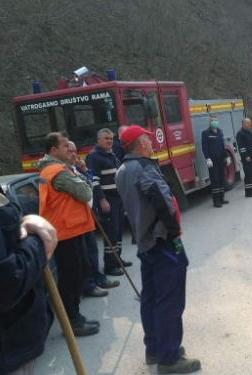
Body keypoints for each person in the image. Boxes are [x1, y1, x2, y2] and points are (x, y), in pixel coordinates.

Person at [115, 125, 201, 374]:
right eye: (148, 140)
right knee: (170, 300)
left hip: (145, 243)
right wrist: (175, 231)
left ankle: (155, 349)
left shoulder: (122, 170)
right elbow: (163, 201)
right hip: (162, 241)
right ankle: (169, 358)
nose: (152, 144)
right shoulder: (144, 168)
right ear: (141, 144)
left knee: (151, 298)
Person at [0, 107, 57, 375]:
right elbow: (5, 283)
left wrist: (23, 224)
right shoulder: (57, 171)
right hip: (5, 353)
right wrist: (38, 240)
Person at [38, 132, 99, 336]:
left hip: (71, 229)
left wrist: (82, 181)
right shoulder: (57, 171)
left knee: (80, 271)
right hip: (64, 232)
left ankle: (75, 316)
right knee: (71, 276)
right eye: (65, 146)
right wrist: (84, 182)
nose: (70, 150)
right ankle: (71, 321)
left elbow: (84, 188)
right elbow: (86, 193)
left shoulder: (59, 169)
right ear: (54, 150)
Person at [67, 141, 120, 297]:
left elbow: (90, 182)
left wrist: (83, 169)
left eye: (75, 150)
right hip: (75, 220)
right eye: (69, 150)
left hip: (87, 215)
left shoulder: (75, 169)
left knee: (92, 250)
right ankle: (89, 284)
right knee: (85, 255)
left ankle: (99, 279)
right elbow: (86, 190)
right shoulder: (64, 172)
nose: (74, 154)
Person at [86, 128, 131, 276]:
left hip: (117, 198)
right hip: (107, 200)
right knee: (111, 233)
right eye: (106, 139)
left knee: (118, 232)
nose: (109, 141)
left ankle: (118, 259)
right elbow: (94, 181)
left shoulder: (110, 154)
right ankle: (110, 265)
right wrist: (102, 200)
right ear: (98, 140)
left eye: (111, 139)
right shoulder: (94, 157)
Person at [201, 115, 231, 208]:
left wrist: (227, 156)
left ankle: (222, 198)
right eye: (212, 120)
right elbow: (204, 147)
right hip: (212, 161)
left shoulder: (220, 132)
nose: (214, 122)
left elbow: (222, 145)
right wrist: (207, 158)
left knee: (221, 178)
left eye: (215, 120)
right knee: (215, 180)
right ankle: (216, 201)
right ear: (209, 122)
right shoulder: (206, 133)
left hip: (221, 159)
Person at [236, 117, 252, 197]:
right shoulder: (240, 134)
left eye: (250, 123)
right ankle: (248, 192)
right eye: (247, 123)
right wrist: (246, 156)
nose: (249, 124)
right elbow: (241, 147)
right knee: (248, 175)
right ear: (243, 124)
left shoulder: (250, 133)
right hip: (246, 158)